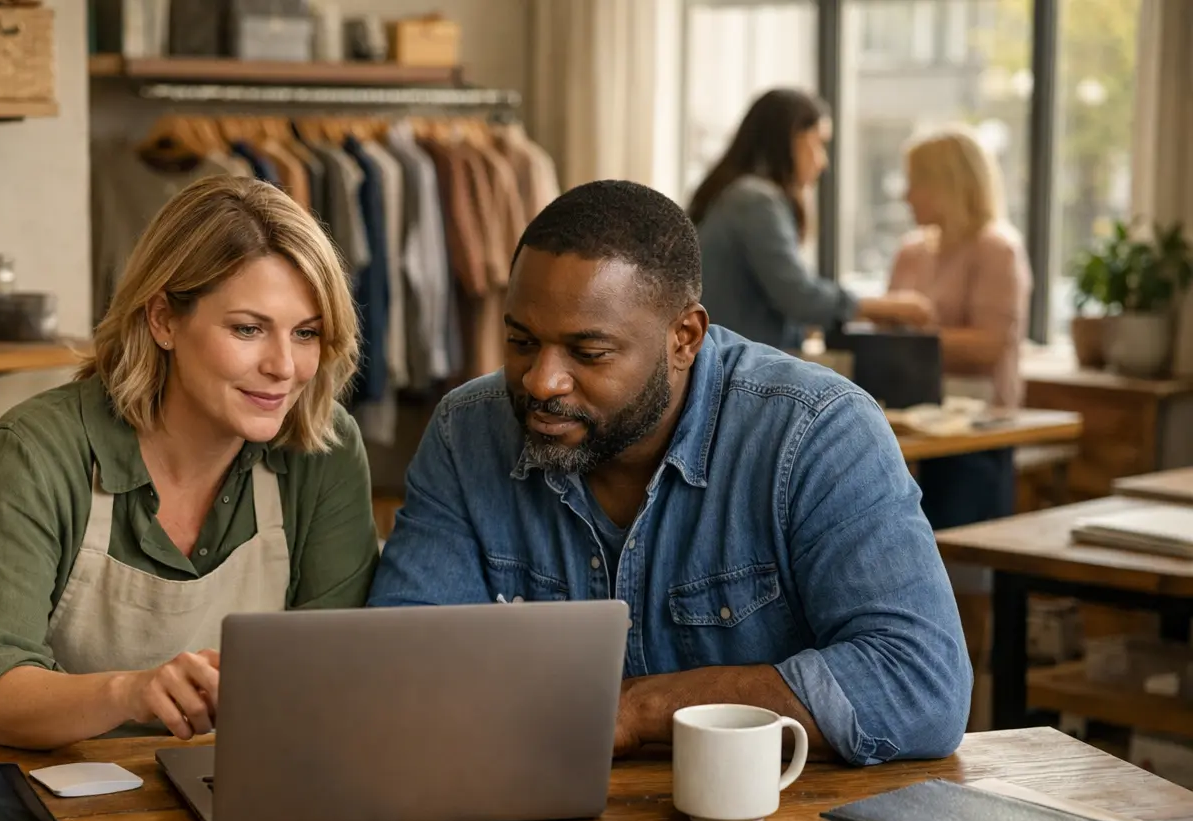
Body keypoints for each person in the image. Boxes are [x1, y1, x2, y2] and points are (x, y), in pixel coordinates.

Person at [367, 179, 970, 766]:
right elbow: (399, 670)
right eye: (521, 342)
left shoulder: (816, 431)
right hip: (533, 812)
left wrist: (636, 710)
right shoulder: (467, 431)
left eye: (588, 353)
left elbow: (920, 683)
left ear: (684, 338)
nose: (541, 381)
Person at [0, 176, 380, 755]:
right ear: (163, 319)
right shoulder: (37, 448)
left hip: (195, 781)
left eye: (306, 333)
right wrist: (131, 693)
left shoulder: (323, 449)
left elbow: (335, 670)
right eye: (248, 329)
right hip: (0, 779)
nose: (284, 367)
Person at [690, 88, 934, 351]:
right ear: (790, 138)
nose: (823, 162)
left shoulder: (736, 195)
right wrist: (884, 307)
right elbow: (798, 294)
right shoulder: (755, 201)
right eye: (818, 143)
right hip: (732, 362)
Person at [889, 127, 1033, 528]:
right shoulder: (910, 250)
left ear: (947, 184)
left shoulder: (997, 249)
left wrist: (913, 332)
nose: (906, 195)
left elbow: (989, 346)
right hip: (908, 426)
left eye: (916, 182)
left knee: (956, 538)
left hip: (976, 433)